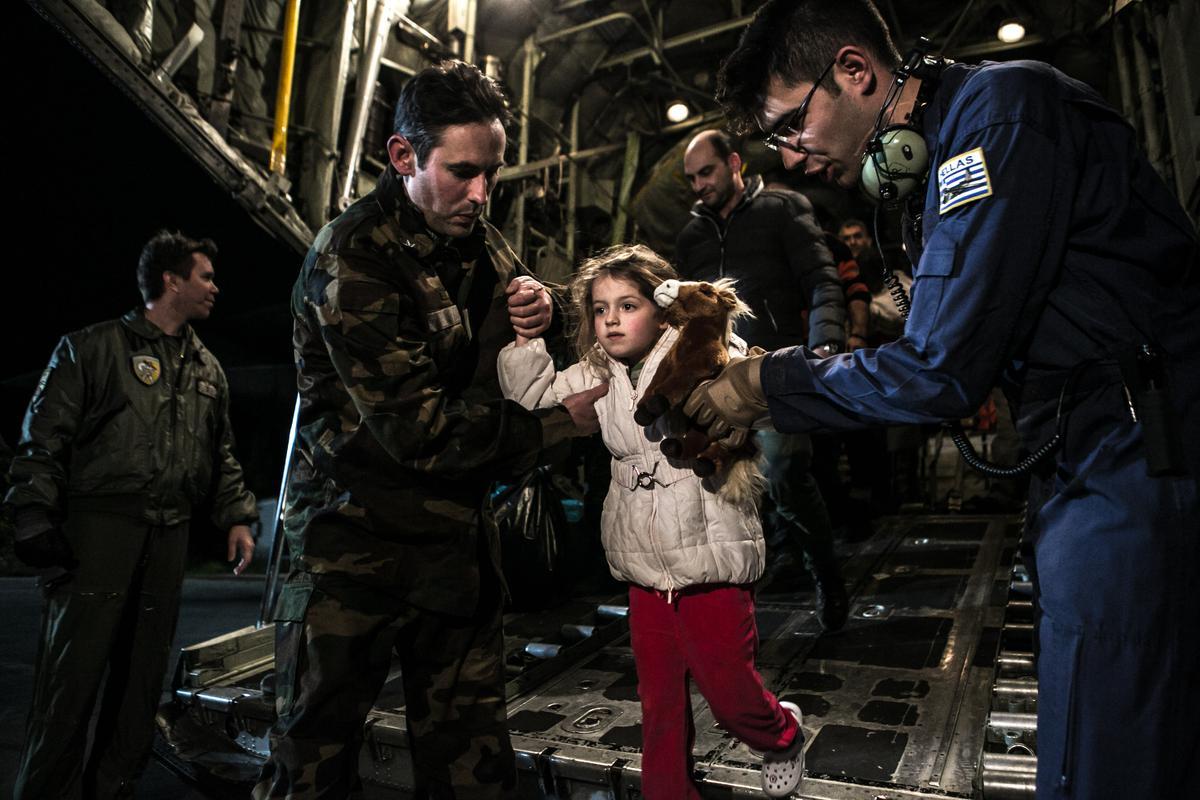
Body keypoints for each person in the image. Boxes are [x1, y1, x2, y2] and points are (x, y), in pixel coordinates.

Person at [685, 1, 1200, 797]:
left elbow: (942, 370)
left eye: (791, 125)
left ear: (854, 71)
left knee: (1110, 753)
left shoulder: (1001, 116)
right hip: (1088, 447)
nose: (791, 156)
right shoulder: (952, 146)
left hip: (1139, 448)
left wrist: (766, 383)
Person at [253, 60, 603, 799]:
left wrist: (549, 310)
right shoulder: (354, 257)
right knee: (312, 771)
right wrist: (554, 426)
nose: (481, 193)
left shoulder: (474, 236)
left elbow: (529, 303)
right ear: (404, 156)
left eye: (492, 173)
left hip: (451, 554)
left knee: (474, 771)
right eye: (463, 172)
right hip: (351, 560)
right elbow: (420, 433)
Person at [497, 244, 807, 799]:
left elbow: (737, 374)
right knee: (658, 701)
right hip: (643, 563)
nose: (611, 320)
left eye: (628, 305)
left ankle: (781, 735)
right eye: (600, 309)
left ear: (663, 310)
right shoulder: (597, 371)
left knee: (730, 694)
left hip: (711, 556)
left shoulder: (696, 354)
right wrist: (527, 342)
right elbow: (532, 401)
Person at [5, 230, 259, 799]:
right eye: (205, 276)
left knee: (140, 688)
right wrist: (33, 514)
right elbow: (43, 436)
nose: (215, 287)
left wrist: (237, 516)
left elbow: (220, 452)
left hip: (169, 536)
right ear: (171, 280)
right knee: (70, 684)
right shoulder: (91, 349)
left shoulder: (207, 368)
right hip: (98, 533)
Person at [677, 129, 849, 630]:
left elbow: (821, 278)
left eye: (706, 172)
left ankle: (827, 576)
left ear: (734, 163)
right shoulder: (692, 236)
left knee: (785, 474)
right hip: (716, 377)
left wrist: (825, 344)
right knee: (723, 484)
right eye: (691, 179)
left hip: (774, 367)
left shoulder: (781, 209)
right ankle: (743, 593)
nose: (699, 186)